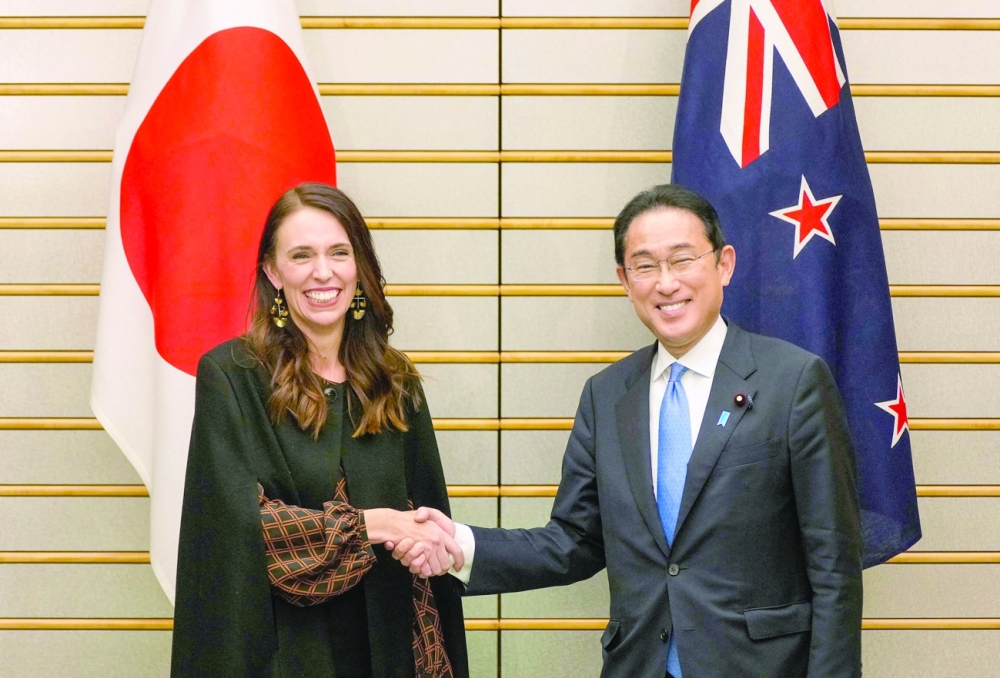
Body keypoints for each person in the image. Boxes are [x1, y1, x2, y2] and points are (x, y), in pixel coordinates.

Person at [393, 184, 863, 677]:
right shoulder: (608, 395)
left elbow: (834, 568)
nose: (666, 283)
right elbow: (574, 541)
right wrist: (460, 546)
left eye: (683, 259)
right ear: (624, 278)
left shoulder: (793, 381)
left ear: (724, 264)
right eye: (644, 265)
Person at [170, 182, 468, 678]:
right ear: (272, 270)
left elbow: (427, 526)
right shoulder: (232, 375)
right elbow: (237, 533)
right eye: (301, 255)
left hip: (390, 648)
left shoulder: (397, 380)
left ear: (360, 266)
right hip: (284, 656)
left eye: (339, 253)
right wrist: (375, 525)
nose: (322, 272)